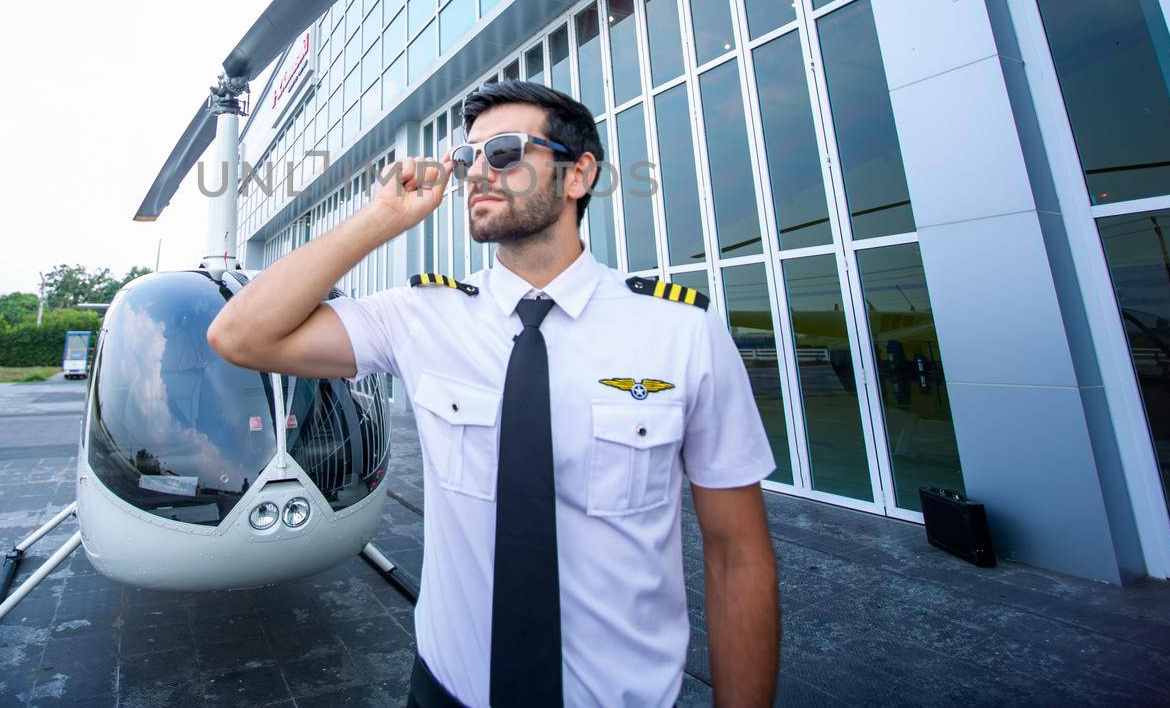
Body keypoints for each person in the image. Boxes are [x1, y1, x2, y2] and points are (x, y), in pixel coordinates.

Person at [208, 80, 780, 708]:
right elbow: (240, 334)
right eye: (467, 157)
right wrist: (381, 219)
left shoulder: (680, 332)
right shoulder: (422, 316)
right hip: (446, 694)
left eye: (504, 152)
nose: (477, 172)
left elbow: (737, 557)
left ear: (578, 175)